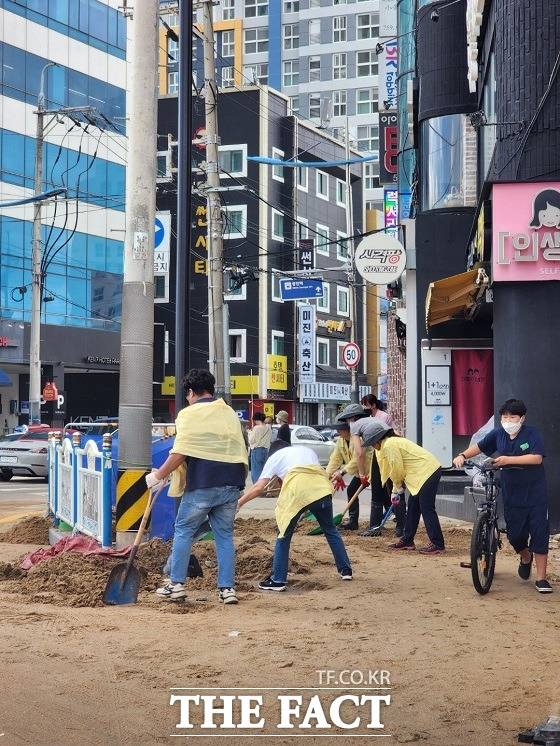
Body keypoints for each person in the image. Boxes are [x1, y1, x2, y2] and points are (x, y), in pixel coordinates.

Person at [146, 369, 248, 605]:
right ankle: (227, 590)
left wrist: (159, 475)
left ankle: (176, 584)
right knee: (224, 536)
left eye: (188, 395)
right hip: (232, 482)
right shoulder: (229, 413)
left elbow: (181, 450)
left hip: (203, 482)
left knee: (184, 530)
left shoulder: (189, 414)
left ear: (190, 392)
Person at [453, 399, 552, 593]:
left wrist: (508, 459)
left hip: (535, 493)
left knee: (540, 534)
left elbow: (537, 457)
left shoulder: (532, 434)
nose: (508, 420)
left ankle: (541, 578)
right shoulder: (498, 434)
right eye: (505, 416)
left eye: (512, 417)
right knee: (515, 536)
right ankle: (525, 556)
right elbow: (480, 447)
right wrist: (463, 455)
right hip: (512, 493)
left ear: (522, 418)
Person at [237, 443, 353, 591]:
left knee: (283, 533)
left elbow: (259, 487)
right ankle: (346, 570)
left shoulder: (274, 458)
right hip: (322, 489)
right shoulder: (306, 450)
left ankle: (278, 580)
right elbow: (309, 473)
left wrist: (239, 503)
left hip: (299, 490)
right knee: (330, 530)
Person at [353, 420, 445, 554]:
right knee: (413, 506)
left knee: (427, 507)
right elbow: (388, 469)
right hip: (420, 475)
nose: (372, 446)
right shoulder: (385, 446)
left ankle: (438, 543)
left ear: (378, 439)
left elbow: (396, 468)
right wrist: (395, 491)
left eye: (372, 442)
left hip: (427, 471)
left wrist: (398, 488)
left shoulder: (390, 444)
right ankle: (407, 540)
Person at [248, 412, 272, 483]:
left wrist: (249, 433)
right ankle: (264, 487)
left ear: (256, 419)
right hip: (265, 451)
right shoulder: (268, 428)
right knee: (263, 471)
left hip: (257, 451)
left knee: (256, 471)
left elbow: (251, 441)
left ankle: (257, 487)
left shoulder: (256, 428)